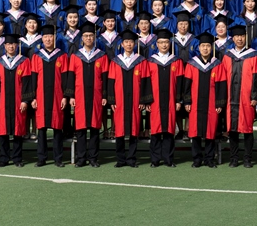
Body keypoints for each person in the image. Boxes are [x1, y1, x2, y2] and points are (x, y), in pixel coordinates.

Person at [182, 33, 228, 169]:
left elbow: (221, 86)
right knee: (195, 132)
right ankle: (197, 159)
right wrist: (187, 102)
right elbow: (186, 86)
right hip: (195, 103)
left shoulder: (217, 65)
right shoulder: (192, 64)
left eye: (208, 46)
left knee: (210, 131)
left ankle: (209, 159)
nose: (205, 48)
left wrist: (219, 103)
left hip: (211, 103)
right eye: (203, 46)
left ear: (211, 47)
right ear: (199, 48)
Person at [26, 25, 69, 167]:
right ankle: (41, 158)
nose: (48, 39)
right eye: (45, 37)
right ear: (42, 39)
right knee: (42, 128)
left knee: (57, 128)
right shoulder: (37, 56)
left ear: (54, 38)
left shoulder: (62, 56)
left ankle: (58, 158)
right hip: (41, 96)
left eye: (50, 36)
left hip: (57, 96)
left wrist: (65, 96)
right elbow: (33, 78)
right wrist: (33, 97)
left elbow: (65, 77)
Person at [65, 22, 107, 167]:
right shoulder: (76, 56)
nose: (89, 38)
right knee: (81, 128)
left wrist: (105, 96)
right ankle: (81, 158)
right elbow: (71, 77)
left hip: (96, 96)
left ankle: (93, 158)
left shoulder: (101, 56)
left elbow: (105, 77)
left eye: (91, 36)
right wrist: (71, 96)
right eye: (86, 36)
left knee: (95, 128)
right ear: (82, 38)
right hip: (80, 96)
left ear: (94, 37)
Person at [0, 34, 31, 167]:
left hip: (18, 101)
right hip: (3, 101)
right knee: (3, 131)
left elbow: (27, 83)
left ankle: (17, 158)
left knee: (18, 130)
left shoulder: (24, 61)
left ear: (17, 45)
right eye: (8, 44)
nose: (11, 46)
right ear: (5, 46)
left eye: (13, 44)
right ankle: (4, 158)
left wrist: (25, 100)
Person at [107, 30, 148, 168]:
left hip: (135, 100)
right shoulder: (116, 61)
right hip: (119, 101)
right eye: (126, 42)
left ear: (134, 44)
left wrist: (143, 100)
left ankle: (131, 159)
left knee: (134, 130)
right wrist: (112, 100)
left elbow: (145, 82)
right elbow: (111, 81)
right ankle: (120, 159)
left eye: (131, 42)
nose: (129, 44)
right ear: (122, 44)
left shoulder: (141, 61)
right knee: (119, 129)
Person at [143, 28, 183, 167]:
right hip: (155, 101)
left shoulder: (176, 61)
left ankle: (168, 159)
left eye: (166, 42)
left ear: (169, 43)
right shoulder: (151, 61)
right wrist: (147, 100)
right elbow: (146, 82)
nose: (164, 45)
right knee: (155, 130)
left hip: (171, 100)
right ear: (157, 44)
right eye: (161, 42)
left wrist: (178, 100)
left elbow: (180, 82)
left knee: (169, 131)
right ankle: (155, 160)